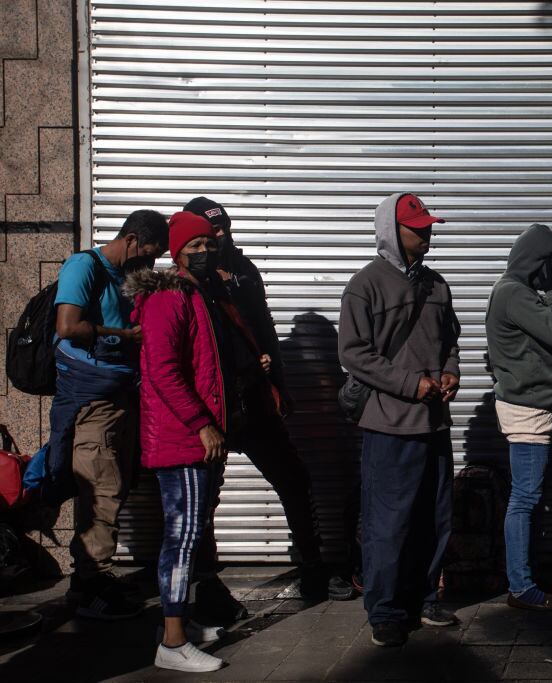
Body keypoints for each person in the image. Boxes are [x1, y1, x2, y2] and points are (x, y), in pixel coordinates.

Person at [182, 197, 357, 622]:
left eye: (222, 230)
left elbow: (263, 327)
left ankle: (312, 565)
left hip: (254, 398)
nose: (219, 238)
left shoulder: (243, 271)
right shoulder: (185, 282)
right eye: (209, 234)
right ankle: (205, 583)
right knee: (204, 497)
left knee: (293, 478)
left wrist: (278, 383)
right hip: (213, 405)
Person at [338, 193, 462, 647]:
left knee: (435, 517)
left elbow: (450, 339)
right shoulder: (365, 285)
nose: (426, 233)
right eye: (417, 227)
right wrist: (412, 384)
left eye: (429, 226)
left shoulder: (436, 284)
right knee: (388, 523)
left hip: (435, 423)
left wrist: (451, 371)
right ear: (392, 230)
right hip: (389, 424)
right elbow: (354, 354)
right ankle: (386, 611)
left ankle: (425, 598)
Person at [124, 212, 236, 672]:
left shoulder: (195, 293)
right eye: (196, 246)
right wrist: (201, 423)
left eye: (210, 244)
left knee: (189, 534)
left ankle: (179, 624)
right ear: (177, 252)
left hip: (193, 437)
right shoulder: (169, 296)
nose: (206, 252)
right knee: (182, 537)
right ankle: (172, 643)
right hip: (182, 437)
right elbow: (162, 370)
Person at [52, 209, 168, 619]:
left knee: (115, 484)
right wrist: (122, 336)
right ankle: (89, 586)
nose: (150, 262)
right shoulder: (84, 266)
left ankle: (95, 578)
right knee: (102, 485)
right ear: (132, 240)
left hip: (120, 393)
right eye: (149, 252)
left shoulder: (125, 275)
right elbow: (67, 327)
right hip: (94, 398)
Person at [485, 223, 552, 611]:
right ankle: (520, 587)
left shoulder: (512, 290)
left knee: (532, 498)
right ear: (538, 262)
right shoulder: (515, 293)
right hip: (527, 410)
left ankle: (529, 576)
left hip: (532, 405)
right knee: (524, 498)